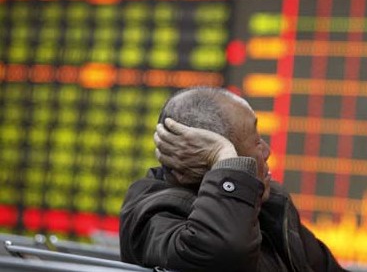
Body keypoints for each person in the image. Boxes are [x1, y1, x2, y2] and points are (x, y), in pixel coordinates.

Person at [119, 86, 346, 272]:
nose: (266, 151)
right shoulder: (151, 215)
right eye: (255, 142)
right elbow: (224, 254)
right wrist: (225, 159)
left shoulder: (271, 205)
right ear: (203, 157)